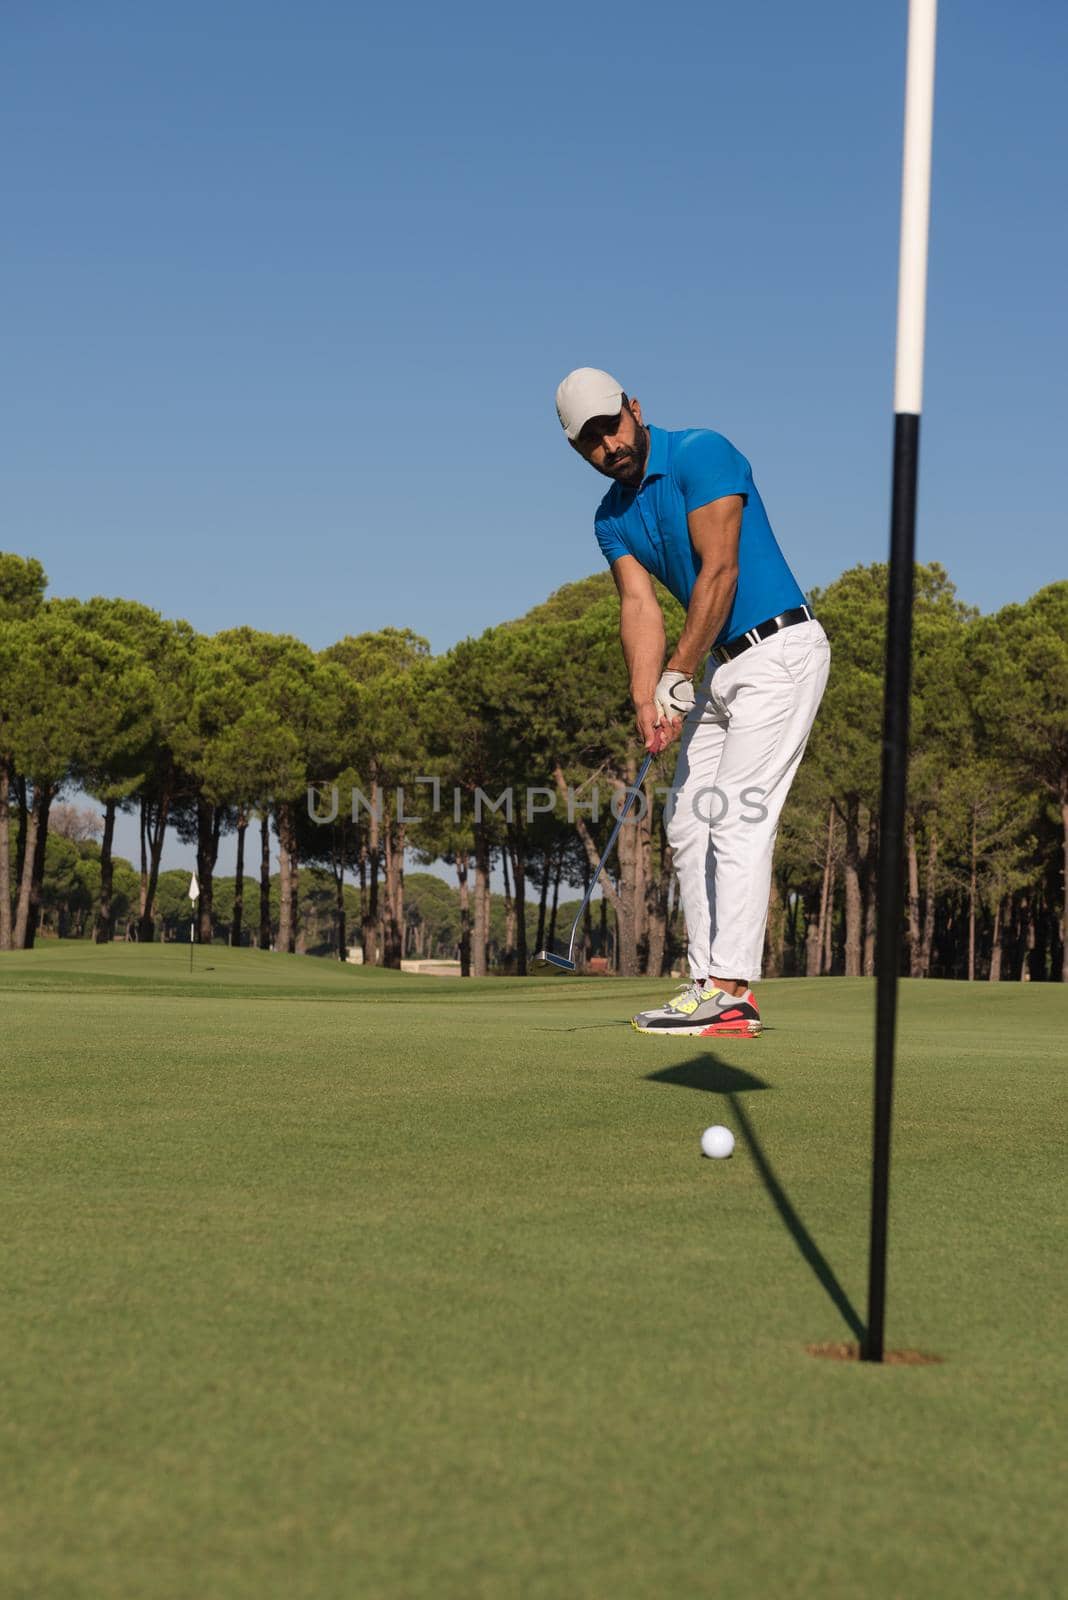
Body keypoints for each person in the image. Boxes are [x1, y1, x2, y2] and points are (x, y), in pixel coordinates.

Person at [555, 367, 830, 1036]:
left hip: (780, 650)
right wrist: (650, 697)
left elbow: (721, 569)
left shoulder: (701, 452)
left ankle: (732, 993)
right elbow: (638, 605)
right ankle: (709, 981)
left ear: (635, 408)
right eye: (591, 440)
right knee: (686, 821)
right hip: (721, 669)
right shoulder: (610, 519)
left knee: (736, 815)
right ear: (578, 450)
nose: (610, 444)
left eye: (612, 424)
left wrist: (679, 673)